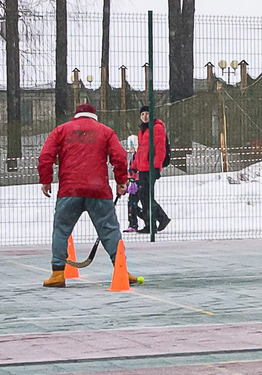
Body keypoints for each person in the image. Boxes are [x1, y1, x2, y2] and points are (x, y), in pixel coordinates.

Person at [36, 101, 139, 286]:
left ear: (75, 115)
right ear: (95, 115)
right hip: (98, 190)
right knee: (109, 229)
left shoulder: (61, 130)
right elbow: (119, 157)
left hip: (70, 190)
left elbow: (45, 157)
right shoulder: (106, 131)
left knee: (61, 229)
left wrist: (45, 180)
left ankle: (58, 274)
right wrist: (121, 181)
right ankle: (121, 268)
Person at [131, 107, 171, 235]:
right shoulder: (142, 130)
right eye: (142, 114)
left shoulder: (157, 128)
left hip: (150, 168)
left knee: (146, 196)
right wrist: (134, 166)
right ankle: (157, 220)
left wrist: (156, 166)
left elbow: (160, 149)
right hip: (143, 168)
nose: (145, 116)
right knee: (144, 196)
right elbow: (141, 151)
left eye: (147, 113)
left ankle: (154, 222)